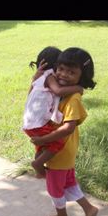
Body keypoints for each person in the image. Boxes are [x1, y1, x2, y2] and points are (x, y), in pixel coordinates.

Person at [28, 47, 99, 216]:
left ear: (81, 76)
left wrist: (43, 141)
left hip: (60, 148)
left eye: (71, 72)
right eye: (61, 69)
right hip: (61, 147)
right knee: (68, 183)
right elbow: (32, 98)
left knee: (54, 188)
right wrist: (35, 79)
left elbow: (69, 128)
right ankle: (89, 209)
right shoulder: (59, 90)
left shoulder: (73, 98)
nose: (64, 75)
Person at [23, 47, 85, 178]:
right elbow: (58, 91)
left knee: (43, 145)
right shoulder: (50, 77)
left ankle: (38, 166)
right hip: (38, 124)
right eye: (60, 67)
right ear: (55, 65)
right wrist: (78, 88)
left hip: (29, 122)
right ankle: (38, 165)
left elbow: (30, 94)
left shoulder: (38, 79)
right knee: (57, 143)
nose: (62, 72)